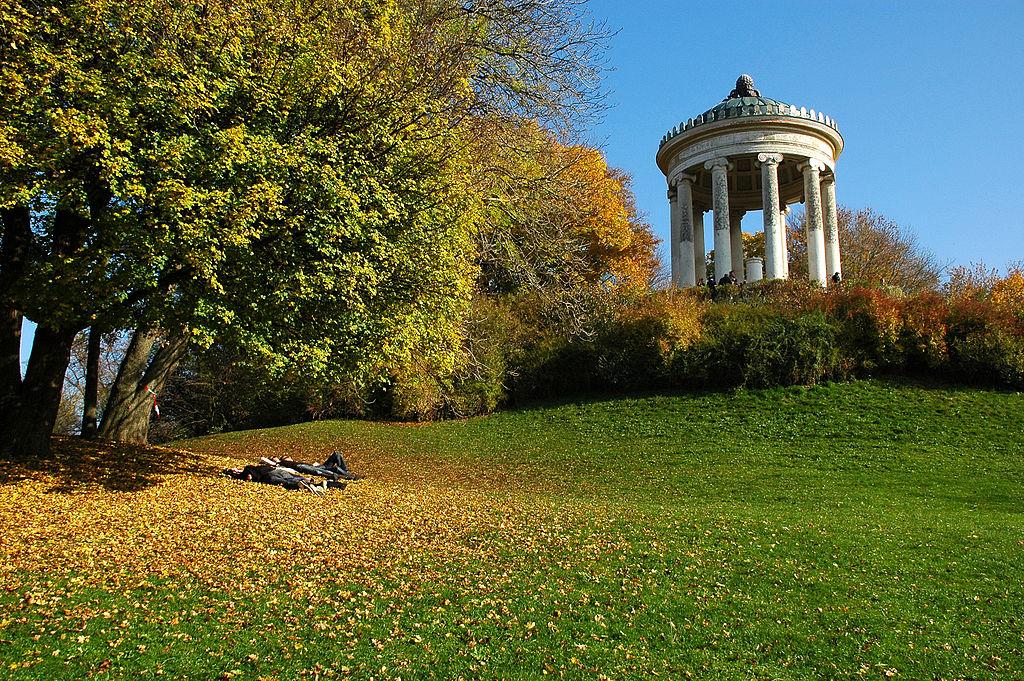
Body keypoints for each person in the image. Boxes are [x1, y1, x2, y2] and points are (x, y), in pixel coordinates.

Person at [222, 464, 327, 494]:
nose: (235, 469)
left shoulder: (246, 470)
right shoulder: (247, 469)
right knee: (289, 477)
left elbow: (249, 477)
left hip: (269, 476)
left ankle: (300, 484)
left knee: (285, 482)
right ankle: (308, 482)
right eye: (233, 470)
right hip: (275, 470)